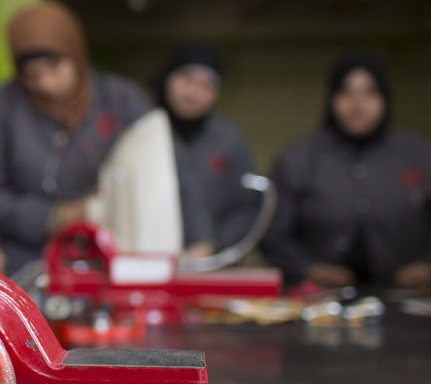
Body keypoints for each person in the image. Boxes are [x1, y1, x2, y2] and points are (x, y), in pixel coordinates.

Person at [0, 0, 153, 275]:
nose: (46, 84)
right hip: (22, 263)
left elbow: (155, 174)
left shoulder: (122, 101)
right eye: (33, 76)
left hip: (107, 258)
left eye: (55, 69)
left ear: (75, 54)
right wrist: (51, 217)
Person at [261, 52, 431, 290]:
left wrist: (427, 266)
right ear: (332, 98)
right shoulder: (298, 157)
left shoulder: (417, 153)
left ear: (384, 98)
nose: (357, 103)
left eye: (369, 92)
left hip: (407, 297)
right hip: (318, 299)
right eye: (347, 92)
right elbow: (271, 233)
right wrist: (307, 268)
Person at [154, 42, 259, 255]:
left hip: (213, 264)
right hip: (150, 257)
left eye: (207, 85)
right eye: (187, 79)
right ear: (167, 78)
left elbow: (247, 206)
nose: (194, 92)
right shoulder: (143, 133)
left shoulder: (228, 138)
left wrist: (213, 245)